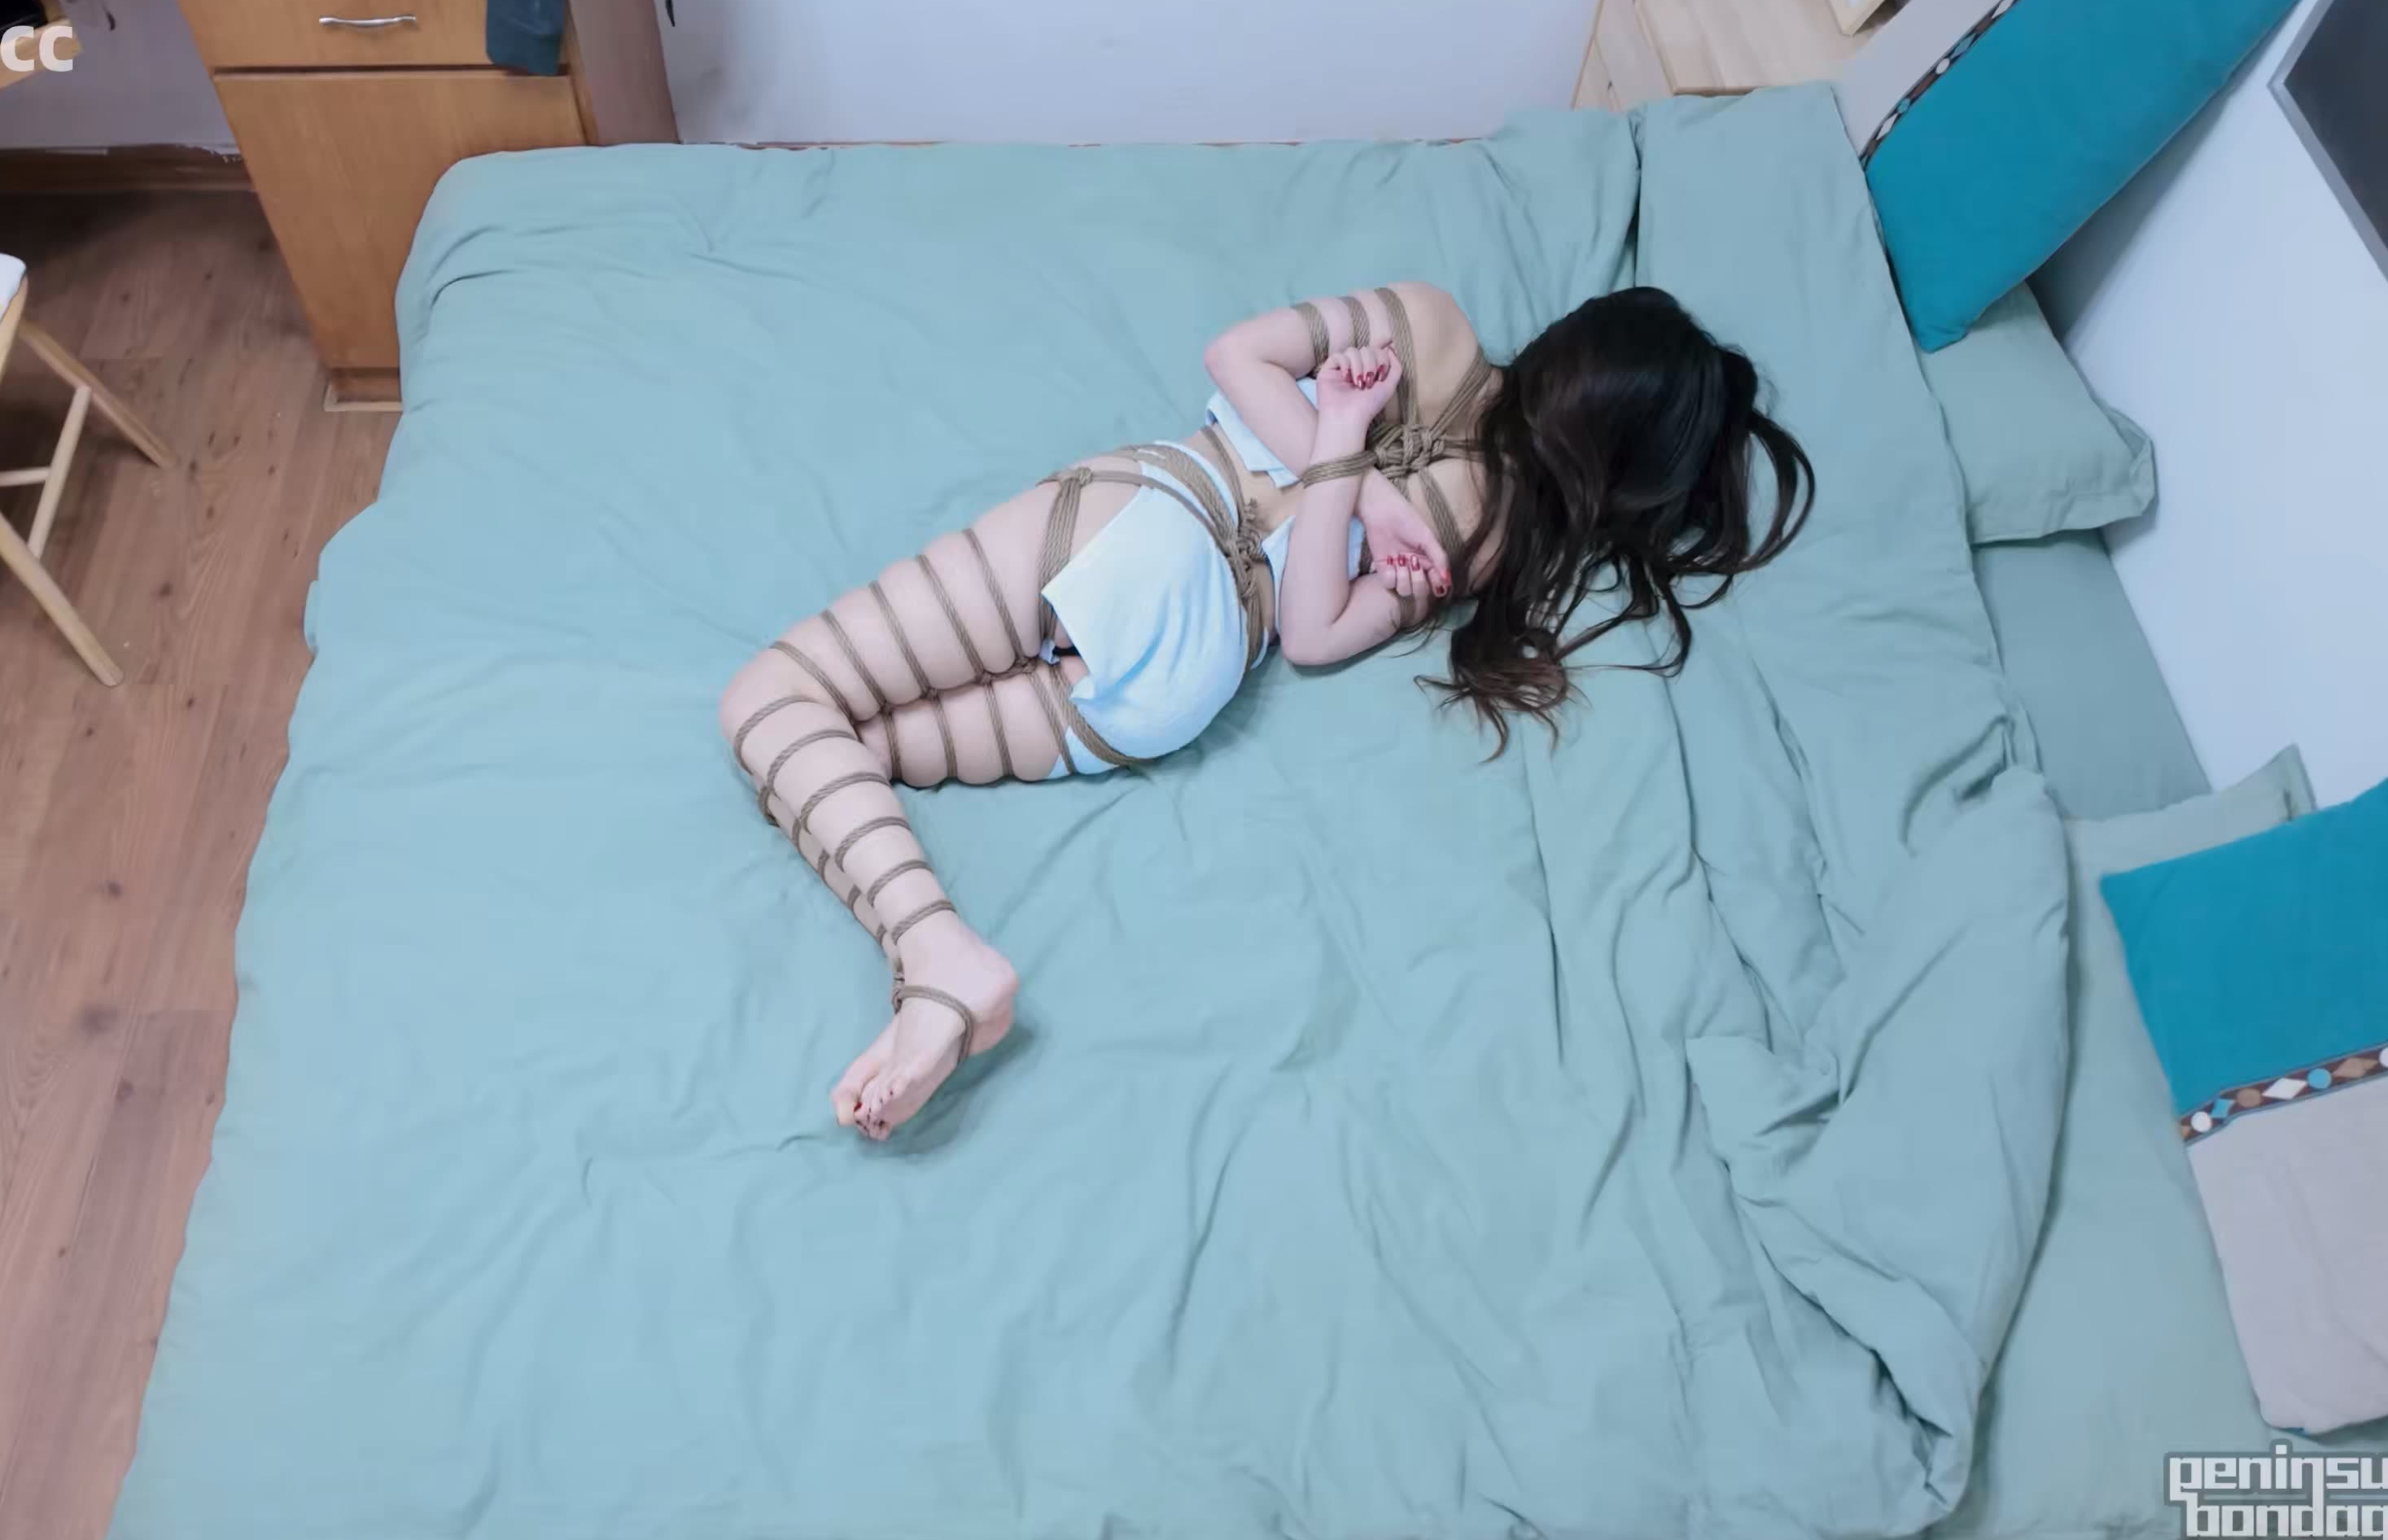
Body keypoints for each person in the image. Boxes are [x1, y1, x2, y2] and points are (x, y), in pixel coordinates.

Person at [715, 282, 1815, 1140]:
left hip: (1153, 517)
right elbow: (1312, 631)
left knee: (775, 698)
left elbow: (1235, 356)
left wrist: (1344, 430)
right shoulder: (1488, 538)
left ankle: (938, 952)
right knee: (832, 757)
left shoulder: (1430, 326)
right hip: (1184, 679)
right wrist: (1368, 489)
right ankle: (942, 983)